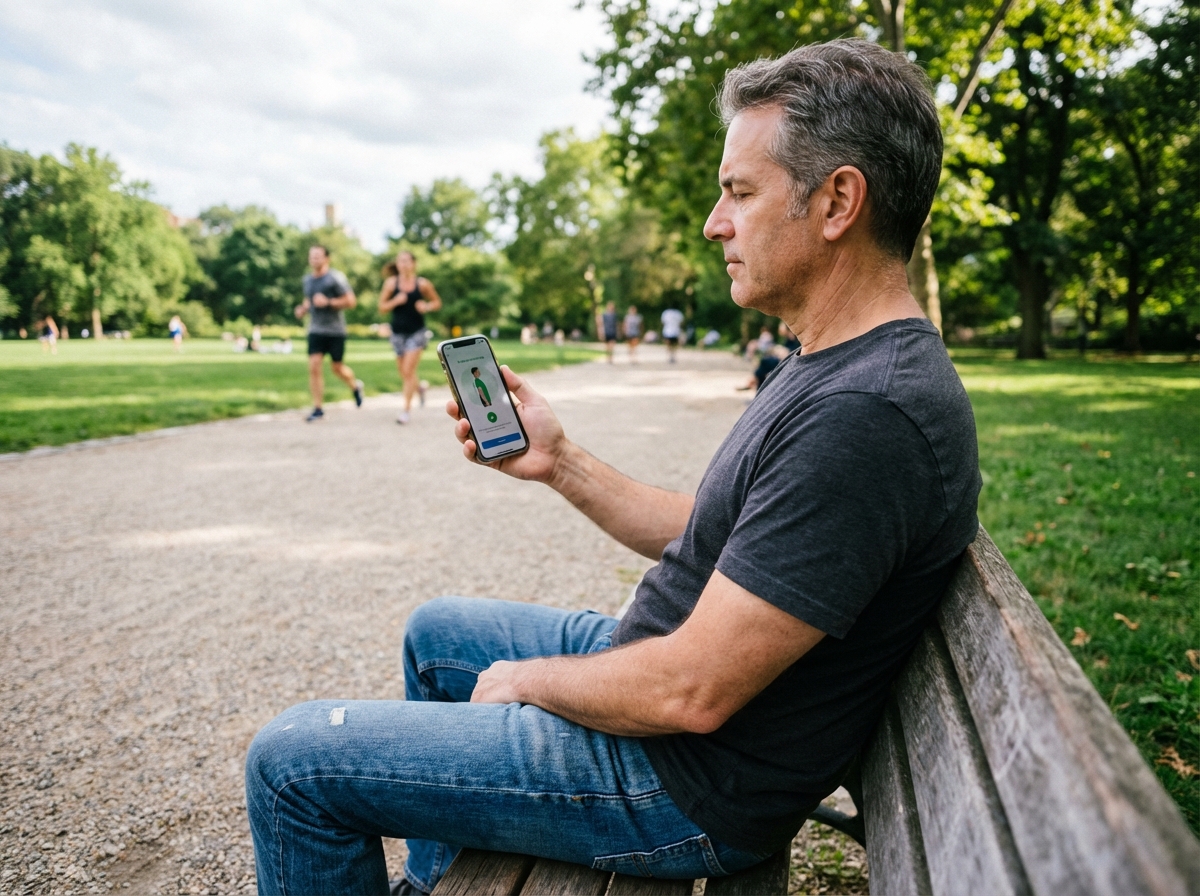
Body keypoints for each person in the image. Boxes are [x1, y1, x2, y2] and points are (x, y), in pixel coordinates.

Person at [247, 39, 980, 896]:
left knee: (290, 762)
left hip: (681, 783)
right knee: (438, 631)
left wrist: (529, 682)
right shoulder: (836, 363)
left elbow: (693, 690)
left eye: (739, 191)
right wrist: (559, 462)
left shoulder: (866, 412)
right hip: (669, 693)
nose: (715, 222)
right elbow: (719, 531)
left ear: (837, 201)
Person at [295, 244, 363, 422]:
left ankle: (355, 386)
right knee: (314, 365)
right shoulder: (307, 280)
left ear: (326, 258)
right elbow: (309, 300)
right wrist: (303, 309)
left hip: (335, 331)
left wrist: (328, 302)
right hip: (316, 329)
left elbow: (351, 301)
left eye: (317, 256)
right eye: (311, 256)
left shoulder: (335, 278)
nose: (314, 259)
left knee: (337, 367)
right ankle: (318, 408)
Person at [379, 250, 442, 424]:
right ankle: (420, 388)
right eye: (400, 261)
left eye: (407, 261)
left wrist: (426, 306)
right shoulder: (391, 284)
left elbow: (437, 302)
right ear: (397, 264)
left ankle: (405, 411)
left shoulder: (422, 284)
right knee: (405, 373)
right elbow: (382, 307)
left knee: (408, 371)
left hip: (417, 332)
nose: (404, 264)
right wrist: (395, 301)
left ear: (413, 264)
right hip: (397, 333)